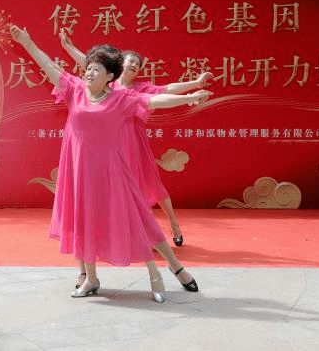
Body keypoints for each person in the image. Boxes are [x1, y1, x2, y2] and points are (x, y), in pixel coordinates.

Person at [11, 25, 207, 302]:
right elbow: (47, 65)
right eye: (88, 68)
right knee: (83, 221)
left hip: (112, 171)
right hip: (79, 170)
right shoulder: (75, 89)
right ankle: (91, 279)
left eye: (96, 69)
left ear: (110, 77)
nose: (89, 72)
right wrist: (28, 41)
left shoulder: (121, 99)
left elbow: (156, 99)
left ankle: (172, 269)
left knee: (140, 219)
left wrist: (188, 97)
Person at [60, 31, 213, 247]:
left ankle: (173, 224)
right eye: (130, 62)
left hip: (135, 144)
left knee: (153, 187)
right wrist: (68, 47)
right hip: (112, 145)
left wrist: (195, 85)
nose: (133, 66)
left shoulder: (141, 89)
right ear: (119, 65)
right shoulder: (109, 85)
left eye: (137, 65)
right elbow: (89, 64)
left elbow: (166, 91)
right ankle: (137, 235)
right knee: (125, 192)